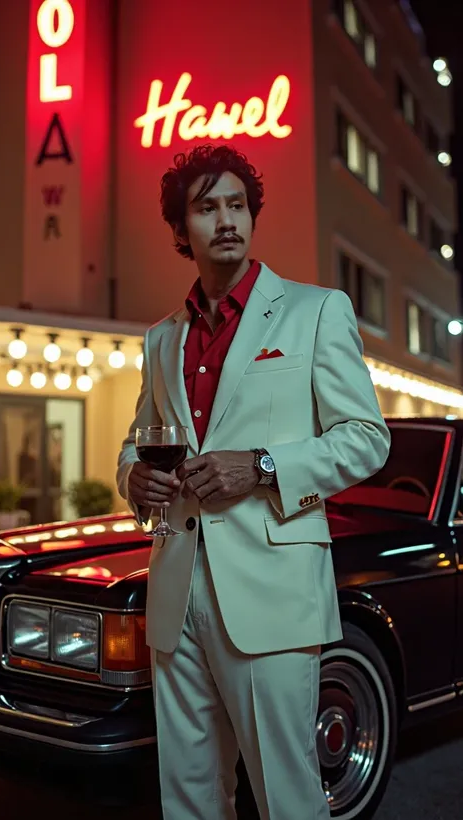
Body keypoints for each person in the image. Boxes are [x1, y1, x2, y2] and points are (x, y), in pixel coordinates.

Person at [117, 144, 390, 819]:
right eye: (207, 208)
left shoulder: (314, 312)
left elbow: (366, 439)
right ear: (182, 231)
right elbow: (137, 440)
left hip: (272, 591)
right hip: (177, 589)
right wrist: (132, 479)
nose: (227, 219)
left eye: (237, 204)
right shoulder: (161, 339)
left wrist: (263, 465)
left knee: (288, 796)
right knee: (189, 795)